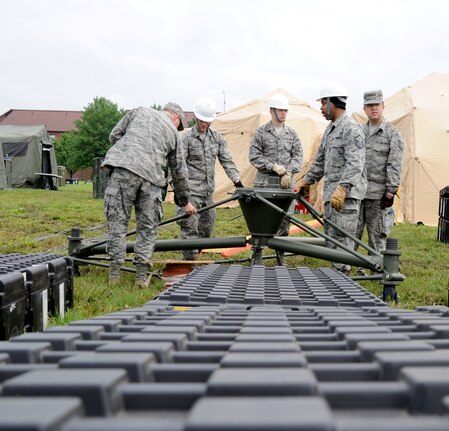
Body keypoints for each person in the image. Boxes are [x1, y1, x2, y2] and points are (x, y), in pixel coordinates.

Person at [102, 102, 196, 287]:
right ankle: (140, 276)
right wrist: (184, 200)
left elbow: (114, 135)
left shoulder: (138, 111)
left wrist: (127, 154)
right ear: (176, 117)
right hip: (152, 180)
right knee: (147, 228)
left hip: (123, 172)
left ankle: (114, 275)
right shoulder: (173, 133)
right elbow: (178, 171)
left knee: (118, 224)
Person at [295, 82, 366, 270]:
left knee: (343, 242)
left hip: (346, 198)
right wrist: (307, 181)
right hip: (332, 197)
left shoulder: (351, 129)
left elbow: (356, 162)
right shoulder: (331, 129)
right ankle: (337, 278)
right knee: (332, 242)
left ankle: (344, 282)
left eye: (322, 103)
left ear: (332, 103)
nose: (320, 108)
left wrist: (343, 188)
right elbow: (320, 160)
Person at [178, 96, 242, 260]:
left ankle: (195, 256)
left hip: (207, 194)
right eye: (200, 120)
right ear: (196, 117)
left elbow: (227, 161)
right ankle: (189, 264)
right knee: (190, 228)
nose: (203, 124)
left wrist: (238, 182)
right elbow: (177, 166)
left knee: (207, 229)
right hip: (190, 192)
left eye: (206, 121)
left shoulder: (217, 138)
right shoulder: (185, 138)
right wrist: (183, 197)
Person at [248, 92, 303, 265]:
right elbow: (254, 155)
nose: (283, 113)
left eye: (285, 111)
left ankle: (281, 255)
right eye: (280, 110)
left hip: (285, 185)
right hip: (265, 182)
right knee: (260, 220)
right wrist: (272, 166)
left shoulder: (292, 134)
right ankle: (257, 254)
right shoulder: (261, 132)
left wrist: (288, 171)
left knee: (285, 220)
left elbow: (298, 157)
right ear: (271, 111)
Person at [356, 89, 404, 253]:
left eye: (376, 104)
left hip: (378, 195)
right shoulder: (358, 133)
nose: (373, 108)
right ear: (364, 109)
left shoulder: (392, 133)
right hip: (357, 193)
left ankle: (377, 273)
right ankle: (344, 273)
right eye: (369, 105)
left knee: (377, 238)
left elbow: (395, 163)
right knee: (350, 236)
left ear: (383, 106)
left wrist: (391, 190)